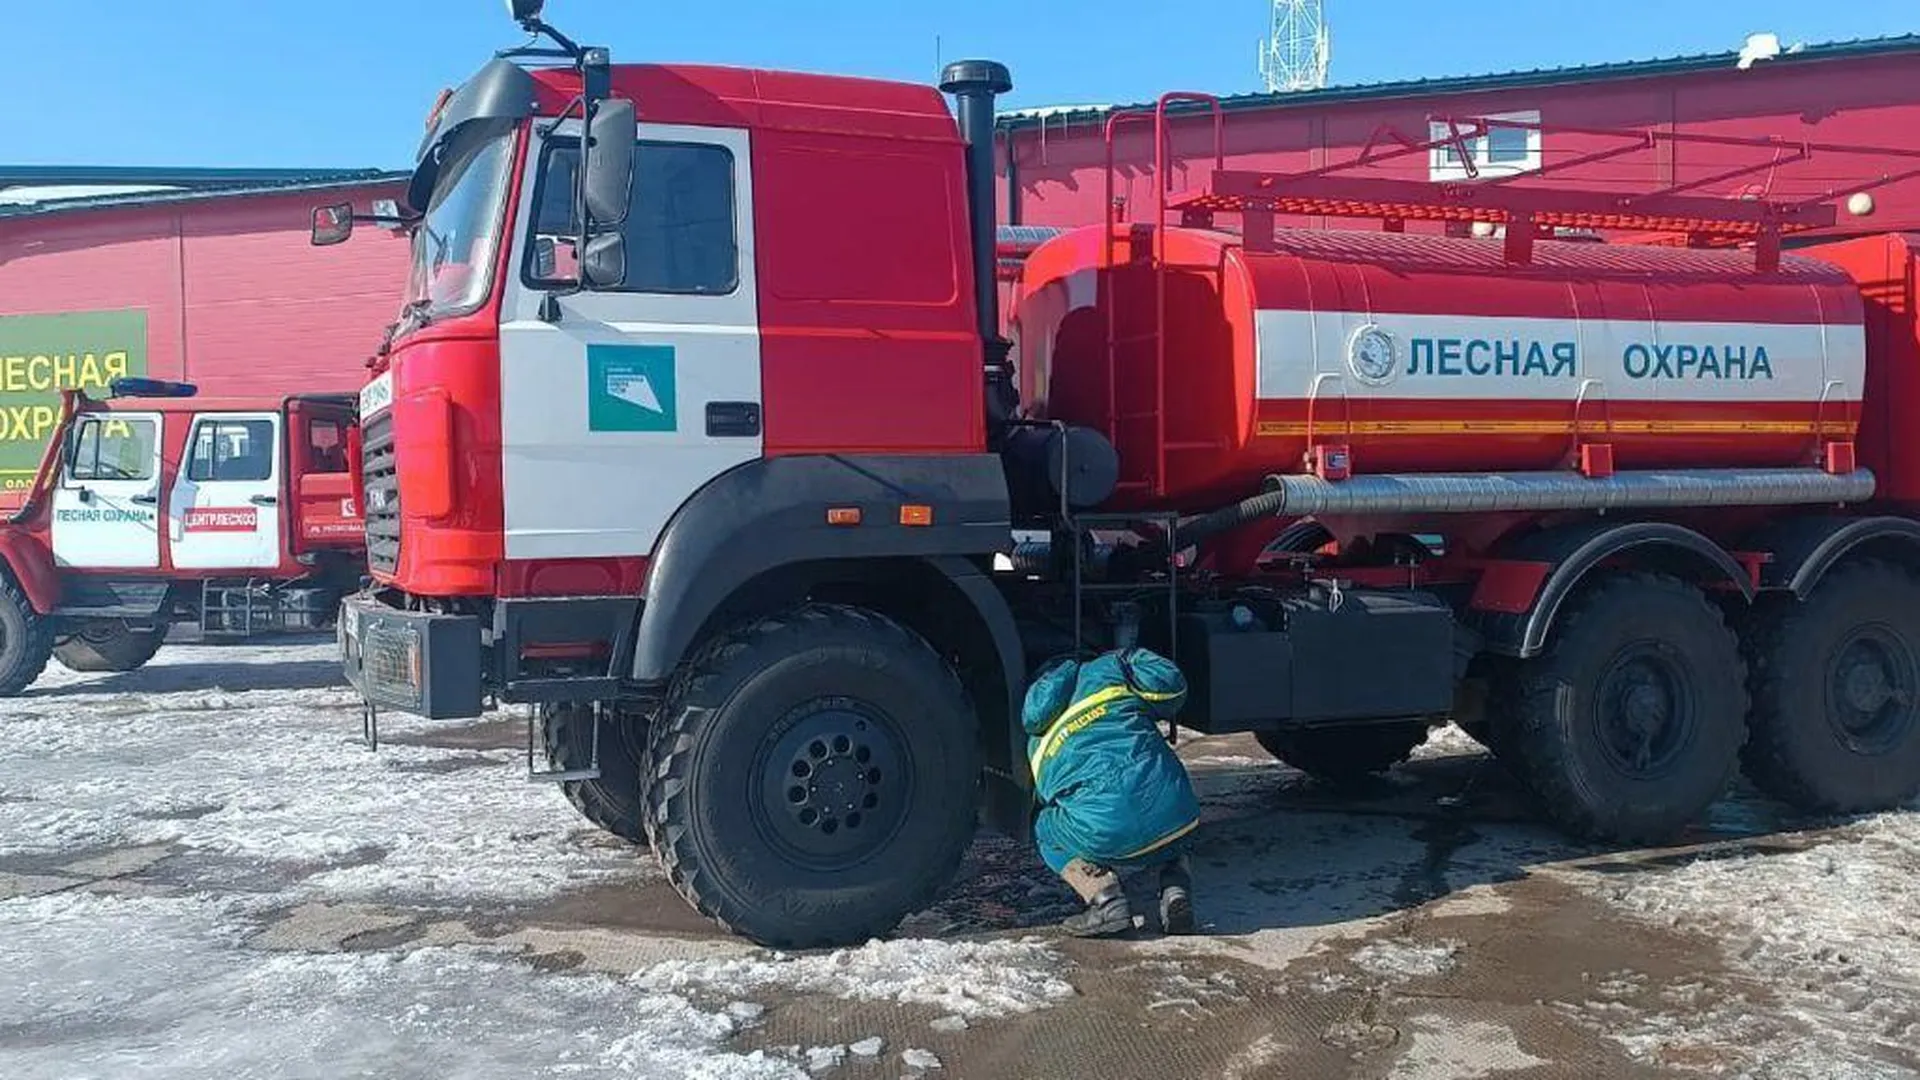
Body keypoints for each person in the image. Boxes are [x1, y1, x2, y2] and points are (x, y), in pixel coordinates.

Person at [1024, 646, 1200, 937]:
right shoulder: (1107, 673)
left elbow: (1047, 796)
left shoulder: (1034, 733)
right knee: (1167, 814)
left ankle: (1106, 900)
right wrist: (1129, 656)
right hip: (1179, 819)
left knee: (1044, 826)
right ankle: (1176, 889)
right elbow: (1171, 690)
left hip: (1109, 835)